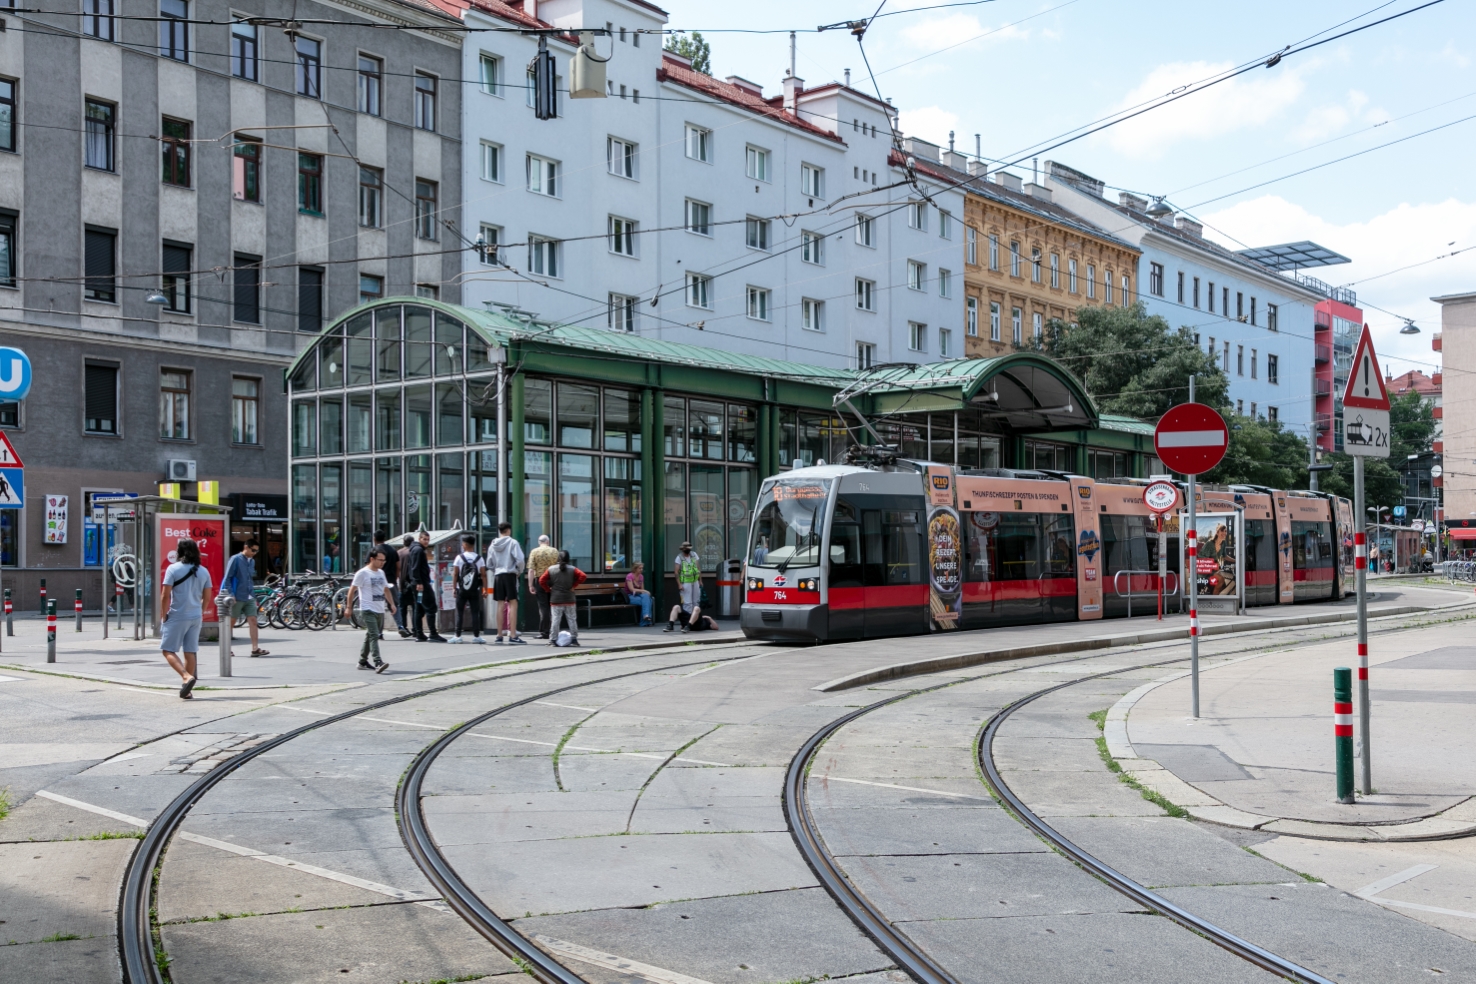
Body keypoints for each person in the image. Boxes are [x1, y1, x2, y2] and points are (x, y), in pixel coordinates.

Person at [160, 538, 213, 699]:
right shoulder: (203, 571)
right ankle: (187, 690)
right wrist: (200, 611)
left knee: (168, 650)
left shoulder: (173, 569)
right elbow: (208, 596)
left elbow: (165, 595)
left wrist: (164, 615)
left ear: (179, 552)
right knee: (190, 651)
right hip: (195, 616)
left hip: (177, 615)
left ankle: (186, 676)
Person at [346, 548, 395, 673]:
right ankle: (378, 662)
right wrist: (348, 607)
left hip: (379, 609)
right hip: (367, 609)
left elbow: (386, 589)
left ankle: (362, 661)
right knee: (374, 635)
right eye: (380, 560)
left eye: (384, 560)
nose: (382, 563)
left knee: (370, 635)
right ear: (372, 559)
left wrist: (392, 604)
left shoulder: (381, 573)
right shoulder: (362, 573)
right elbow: (352, 590)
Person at [219, 538, 268, 657]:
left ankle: (255, 648)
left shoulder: (252, 561)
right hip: (237, 595)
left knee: (253, 621)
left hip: (249, 595)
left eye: (257, 551)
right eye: (253, 550)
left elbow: (249, 578)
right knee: (231, 622)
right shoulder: (235, 559)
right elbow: (227, 578)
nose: (254, 553)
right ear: (246, 547)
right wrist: (231, 594)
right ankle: (226, 648)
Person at [487, 522, 526, 644]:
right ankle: (513, 635)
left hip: (498, 575)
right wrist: (519, 571)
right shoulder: (513, 542)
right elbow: (520, 559)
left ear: (499, 531)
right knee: (513, 603)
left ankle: (499, 635)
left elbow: (489, 563)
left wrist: (496, 570)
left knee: (500, 604)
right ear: (508, 530)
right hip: (510, 575)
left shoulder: (492, 544)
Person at [539, 550, 586, 646]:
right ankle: (574, 639)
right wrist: (574, 586)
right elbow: (583, 576)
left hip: (555, 599)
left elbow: (541, 580)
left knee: (555, 620)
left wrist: (548, 590)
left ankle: (552, 640)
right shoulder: (573, 569)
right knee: (572, 619)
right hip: (570, 599)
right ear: (568, 558)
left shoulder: (551, 569)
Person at [406, 530, 446, 642]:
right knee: (431, 607)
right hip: (421, 584)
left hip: (417, 583)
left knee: (419, 608)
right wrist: (419, 582)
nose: (426, 541)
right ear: (419, 539)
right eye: (424, 539)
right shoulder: (418, 550)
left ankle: (419, 633)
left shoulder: (415, 549)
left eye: (428, 539)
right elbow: (415, 568)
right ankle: (433, 633)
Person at [450, 533, 485, 643]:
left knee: (459, 611)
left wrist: (454, 588)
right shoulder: (479, 558)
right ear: (473, 545)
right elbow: (483, 575)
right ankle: (476, 636)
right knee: (475, 612)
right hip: (475, 589)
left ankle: (457, 636)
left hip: (462, 590)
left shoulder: (459, 558)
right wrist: (484, 589)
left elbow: (455, 574)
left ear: (464, 545)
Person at [526, 534, 559, 639]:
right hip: (553, 580)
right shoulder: (554, 551)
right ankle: (554, 630)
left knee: (543, 606)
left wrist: (530, 585)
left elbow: (531, 570)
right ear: (548, 542)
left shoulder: (534, 552)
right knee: (553, 606)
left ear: (539, 542)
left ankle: (545, 631)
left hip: (540, 580)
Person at [373, 531, 404, 635]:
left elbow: (369, 566)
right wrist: (394, 579)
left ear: (374, 539)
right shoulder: (392, 550)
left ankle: (379, 632)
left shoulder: (374, 551)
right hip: (391, 581)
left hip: (376, 582)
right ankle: (400, 625)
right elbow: (398, 567)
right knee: (394, 604)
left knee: (378, 605)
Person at [674, 541, 702, 614]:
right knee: (687, 602)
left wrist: (700, 580)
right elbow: (676, 571)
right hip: (685, 582)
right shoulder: (679, 557)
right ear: (683, 549)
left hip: (695, 581)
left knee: (696, 601)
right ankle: (687, 619)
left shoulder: (694, 555)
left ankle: (695, 618)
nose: (688, 549)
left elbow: (698, 568)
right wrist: (679, 584)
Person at [395, 535, 414, 638]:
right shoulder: (412, 552)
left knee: (402, 607)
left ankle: (404, 627)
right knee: (415, 607)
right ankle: (415, 628)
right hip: (412, 583)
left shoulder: (398, 553)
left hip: (401, 583)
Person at [624, 561, 654, 626]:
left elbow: (642, 590)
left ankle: (645, 617)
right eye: (639, 568)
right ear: (635, 568)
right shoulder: (629, 576)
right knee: (649, 601)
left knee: (646, 597)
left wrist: (644, 591)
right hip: (630, 595)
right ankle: (646, 621)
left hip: (638, 595)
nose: (641, 570)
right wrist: (645, 591)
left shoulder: (641, 576)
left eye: (642, 568)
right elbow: (631, 589)